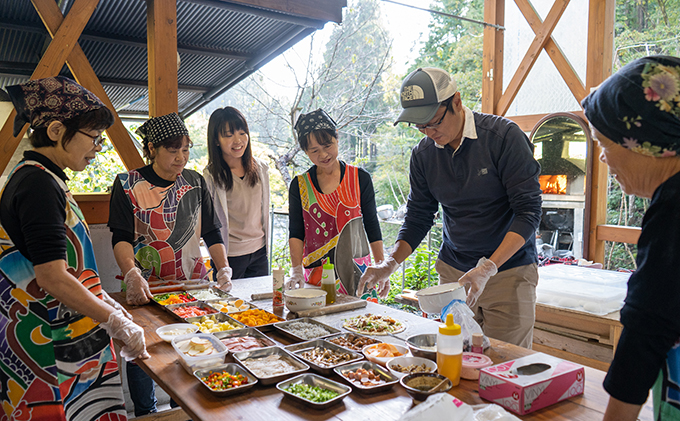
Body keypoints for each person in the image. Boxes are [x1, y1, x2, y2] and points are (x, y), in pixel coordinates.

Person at [359, 67, 542, 347]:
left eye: (434, 122)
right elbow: (419, 216)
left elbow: (528, 212)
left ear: (456, 102)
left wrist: (488, 267)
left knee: (502, 365)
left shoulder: (503, 138)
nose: (429, 133)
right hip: (454, 273)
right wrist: (390, 263)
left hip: (508, 272)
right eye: (420, 127)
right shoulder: (423, 155)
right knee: (454, 356)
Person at [0, 76, 148, 420]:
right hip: (48, 345)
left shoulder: (45, 177)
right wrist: (112, 319)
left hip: (65, 334)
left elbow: (71, 266)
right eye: (93, 137)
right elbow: (51, 276)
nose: (97, 148)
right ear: (55, 130)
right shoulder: (37, 184)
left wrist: (107, 301)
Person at [107, 112, 231, 416]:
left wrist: (223, 267)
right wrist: (132, 273)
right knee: (141, 351)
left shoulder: (195, 182)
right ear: (151, 148)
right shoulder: (127, 184)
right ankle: (146, 413)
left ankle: (183, 408)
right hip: (144, 288)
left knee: (191, 349)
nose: (181, 158)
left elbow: (212, 231)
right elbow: (121, 237)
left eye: (186, 149)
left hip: (192, 285)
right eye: (173, 150)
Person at [581, 55, 680, 421]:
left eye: (605, 143)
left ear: (647, 142)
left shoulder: (674, 207)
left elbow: (646, 329)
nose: (604, 158)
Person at [288, 109, 384, 298]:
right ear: (305, 151)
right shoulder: (299, 185)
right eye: (314, 150)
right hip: (316, 276)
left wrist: (381, 266)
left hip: (358, 271)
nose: (323, 154)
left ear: (337, 137)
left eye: (327, 145)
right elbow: (296, 232)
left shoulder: (360, 178)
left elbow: (372, 224)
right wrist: (296, 269)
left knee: (363, 323)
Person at [203, 107, 270, 279]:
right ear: (216, 140)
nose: (238, 140)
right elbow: (210, 224)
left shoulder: (261, 168)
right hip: (229, 256)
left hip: (259, 252)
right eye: (228, 135)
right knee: (229, 305)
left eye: (242, 132)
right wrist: (221, 263)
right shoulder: (210, 175)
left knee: (260, 304)